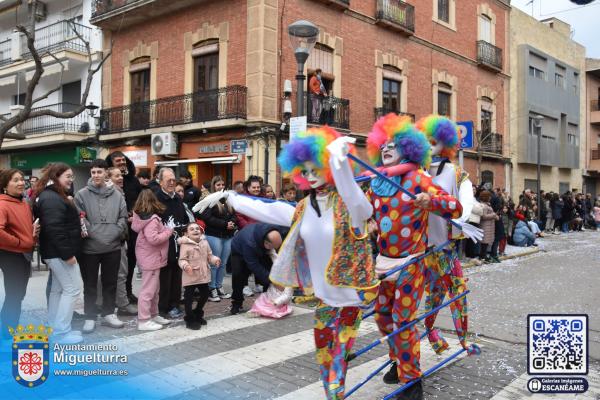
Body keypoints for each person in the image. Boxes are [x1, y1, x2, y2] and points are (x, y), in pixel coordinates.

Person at [194, 127, 378, 400]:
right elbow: (268, 208)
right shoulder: (303, 207)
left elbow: (363, 208)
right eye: (306, 171)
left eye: (318, 168)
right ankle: (333, 392)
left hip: (349, 295)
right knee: (323, 352)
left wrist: (340, 166)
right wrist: (228, 197)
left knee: (338, 355)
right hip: (324, 298)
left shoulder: (347, 203)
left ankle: (336, 393)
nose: (312, 175)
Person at [351, 114, 463, 400]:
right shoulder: (377, 182)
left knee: (403, 322)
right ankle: (399, 361)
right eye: (383, 144)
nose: (387, 148)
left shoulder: (418, 177)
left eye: (393, 144)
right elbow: (365, 214)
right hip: (383, 264)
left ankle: (412, 384)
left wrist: (430, 201)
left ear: (408, 148)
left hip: (412, 263)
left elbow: (455, 208)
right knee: (383, 319)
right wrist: (370, 223)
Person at [415, 115, 481, 358]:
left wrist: (460, 218)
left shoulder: (456, 173)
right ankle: (430, 335)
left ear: (445, 143)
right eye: (426, 141)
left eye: (434, 141)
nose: (430, 146)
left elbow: (466, 202)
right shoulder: (414, 173)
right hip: (420, 251)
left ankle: (463, 342)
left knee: (457, 292)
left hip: (445, 249)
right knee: (428, 299)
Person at [75, 160, 128, 333]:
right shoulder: (81, 195)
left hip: (112, 247)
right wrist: (97, 235)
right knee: (89, 284)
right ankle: (90, 316)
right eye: (93, 172)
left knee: (110, 283)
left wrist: (113, 234)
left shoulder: (117, 195)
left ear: (106, 173)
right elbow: (81, 220)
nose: (96, 175)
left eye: (99, 172)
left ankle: (108, 314)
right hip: (89, 248)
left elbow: (122, 218)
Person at [33, 163, 83, 344]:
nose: (71, 179)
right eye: (68, 176)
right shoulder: (52, 198)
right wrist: (68, 254)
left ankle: (54, 327)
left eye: (72, 176)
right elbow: (55, 229)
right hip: (60, 253)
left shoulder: (50, 195)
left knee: (58, 290)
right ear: (56, 176)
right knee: (73, 289)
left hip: (54, 252)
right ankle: (62, 332)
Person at [0, 169, 39, 339]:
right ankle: (8, 332)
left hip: (24, 254)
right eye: (15, 180)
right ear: (5, 185)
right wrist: (18, 242)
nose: (21, 183)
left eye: (22, 179)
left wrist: (33, 232)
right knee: (14, 294)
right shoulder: (2, 204)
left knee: (18, 294)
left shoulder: (24, 202)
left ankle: (6, 326)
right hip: (11, 254)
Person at [132, 190, 174, 331]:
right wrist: (169, 231)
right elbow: (154, 239)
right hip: (151, 258)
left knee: (154, 290)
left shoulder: (143, 218)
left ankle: (153, 314)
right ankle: (144, 320)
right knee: (148, 291)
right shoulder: (152, 219)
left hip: (151, 257)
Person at [106, 151, 142, 306]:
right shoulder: (107, 185)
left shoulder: (133, 181)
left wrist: (136, 213)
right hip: (115, 230)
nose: (121, 162)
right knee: (114, 267)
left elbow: (140, 201)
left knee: (130, 263)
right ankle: (113, 298)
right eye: (117, 160)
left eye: (123, 160)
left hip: (133, 228)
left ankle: (127, 292)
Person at [155, 167, 192, 318]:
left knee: (177, 276)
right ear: (160, 181)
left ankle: (174, 304)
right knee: (164, 277)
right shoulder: (156, 198)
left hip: (178, 242)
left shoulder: (177, 198)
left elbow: (183, 218)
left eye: (173, 180)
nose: (171, 182)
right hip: (162, 243)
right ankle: (162, 308)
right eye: (168, 180)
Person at [229, 223, 284, 314]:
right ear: (266, 243)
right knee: (238, 275)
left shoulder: (275, 231)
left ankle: (268, 299)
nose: (274, 249)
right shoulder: (249, 243)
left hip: (261, 249)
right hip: (239, 252)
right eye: (273, 247)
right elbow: (254, 266)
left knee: (271, 271)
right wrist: (274, 281)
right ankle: (237, 303)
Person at [199, 175, 236, 302]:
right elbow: (207, 217)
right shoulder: (209, 199)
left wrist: (231, 223)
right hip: (214, 235)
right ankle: (212, 288)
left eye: (222, 184)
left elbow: (234, 214)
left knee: (223, 263)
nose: (221, 187)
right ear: (213, 186)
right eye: (218, 185)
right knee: (214, 263)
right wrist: (225, 224)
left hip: (228, 235)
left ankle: (219, 286)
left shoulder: (227, 198)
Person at [177, 222, 220, 329]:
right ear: (186, 234)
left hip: (203, 275)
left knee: (205, 295)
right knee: (189, 299)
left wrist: (215, 260)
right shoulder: (185, 245)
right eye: (192, 229)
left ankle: (197, 312)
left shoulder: (204, 242)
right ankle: (189, 319)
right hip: (190, 275)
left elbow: (209, 255)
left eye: (197, 229)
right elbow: (181, 260)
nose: (196, 230)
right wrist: (186, 266)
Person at [478, 190, 498, 262]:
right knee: (484, 242)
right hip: (485, 226)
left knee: (486, 242)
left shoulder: (487, 204)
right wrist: (493, 215)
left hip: (489, 226)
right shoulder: (484, 205)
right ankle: (482, 256)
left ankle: (484, 255)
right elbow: (483, 216)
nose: (490, 197)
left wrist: (495, 216)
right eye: (489, 196)